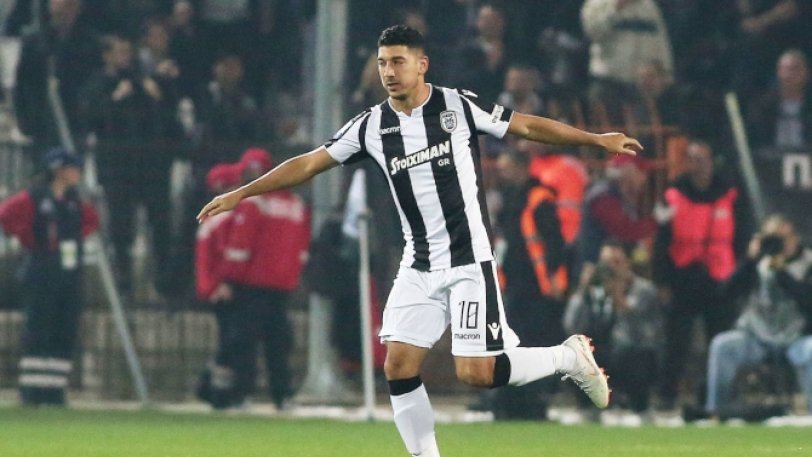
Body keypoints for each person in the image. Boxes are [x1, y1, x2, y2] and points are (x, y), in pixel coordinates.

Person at [198, 25, 641, 457]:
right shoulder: (372, 126)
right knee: (398, 364)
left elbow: (524, 126)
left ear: (421, 65)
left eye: (398, 61)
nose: (389, 72)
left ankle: (568, 357)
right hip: (419, 262)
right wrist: (244, 191)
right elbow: (310, 163)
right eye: (382, 63)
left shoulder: (457, 106)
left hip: (468, 260)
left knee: (478, 372)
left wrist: (594, 140)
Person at [652, 139, 748, 409]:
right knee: (676, 343)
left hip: (721, 279)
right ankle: (667, 396)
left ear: (711, 162)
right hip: (682, 277)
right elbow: (661, 241)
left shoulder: (730, 194)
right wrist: (662, 281)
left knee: (720, 342)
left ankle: (719, 397)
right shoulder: (672, 194)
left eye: (702, 159)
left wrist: (739, 277)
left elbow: (742, 237)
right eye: (693, 160)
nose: (698, 165)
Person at [213, 148, 311, 410]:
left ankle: (242, 394)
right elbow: (301, 249)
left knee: (244, 342)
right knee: (278, 344)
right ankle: (282, 395)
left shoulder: (253, 203)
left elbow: (239, 248)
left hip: (251, 285)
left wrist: (227, 280)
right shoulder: (296, 204)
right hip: (282, 286)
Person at [0, 147, 99, 406]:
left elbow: (91, 221)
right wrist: (28, 237)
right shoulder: (35, 197)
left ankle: (54, 389)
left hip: (68, 269)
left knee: (64, 328)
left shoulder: (74, 201)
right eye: (72, 168)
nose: (77, 173)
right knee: (39, 327)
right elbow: (6, 215)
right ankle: (32, 389)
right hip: (42, 267)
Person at [705, 215, 812, 418]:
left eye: (784, 238)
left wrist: (782, 274)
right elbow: (725, 294)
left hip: (796, 338)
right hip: (757, 338)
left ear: (795, 238)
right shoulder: (755, 264)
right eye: (773, 238)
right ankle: (717, 413)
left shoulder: (808, 262)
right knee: (722, 345)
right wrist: (749, 260)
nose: (779, 244)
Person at [489, 148, 567, 420]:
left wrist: (554, 278)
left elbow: (555, 243)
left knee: (534, 345)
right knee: (514, 345)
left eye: (506, 167)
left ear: (521, 167)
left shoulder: (539, 198)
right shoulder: (510, 199)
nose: (502, 173)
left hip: (537, 289)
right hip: (515, 286)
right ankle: (512, 403)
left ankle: (532, 402)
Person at [565, 241, 663, 418]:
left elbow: (644, 332)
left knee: (636, 357)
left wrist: (619, 298)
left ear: (627, 264)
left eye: (616, 263)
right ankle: (588, 410)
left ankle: (639, 409)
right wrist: (583, 291)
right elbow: (570, 325)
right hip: (603, 351)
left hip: (632, 351)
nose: (610, 269)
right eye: (605, 263)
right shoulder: (593, 292)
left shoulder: (643, 290)